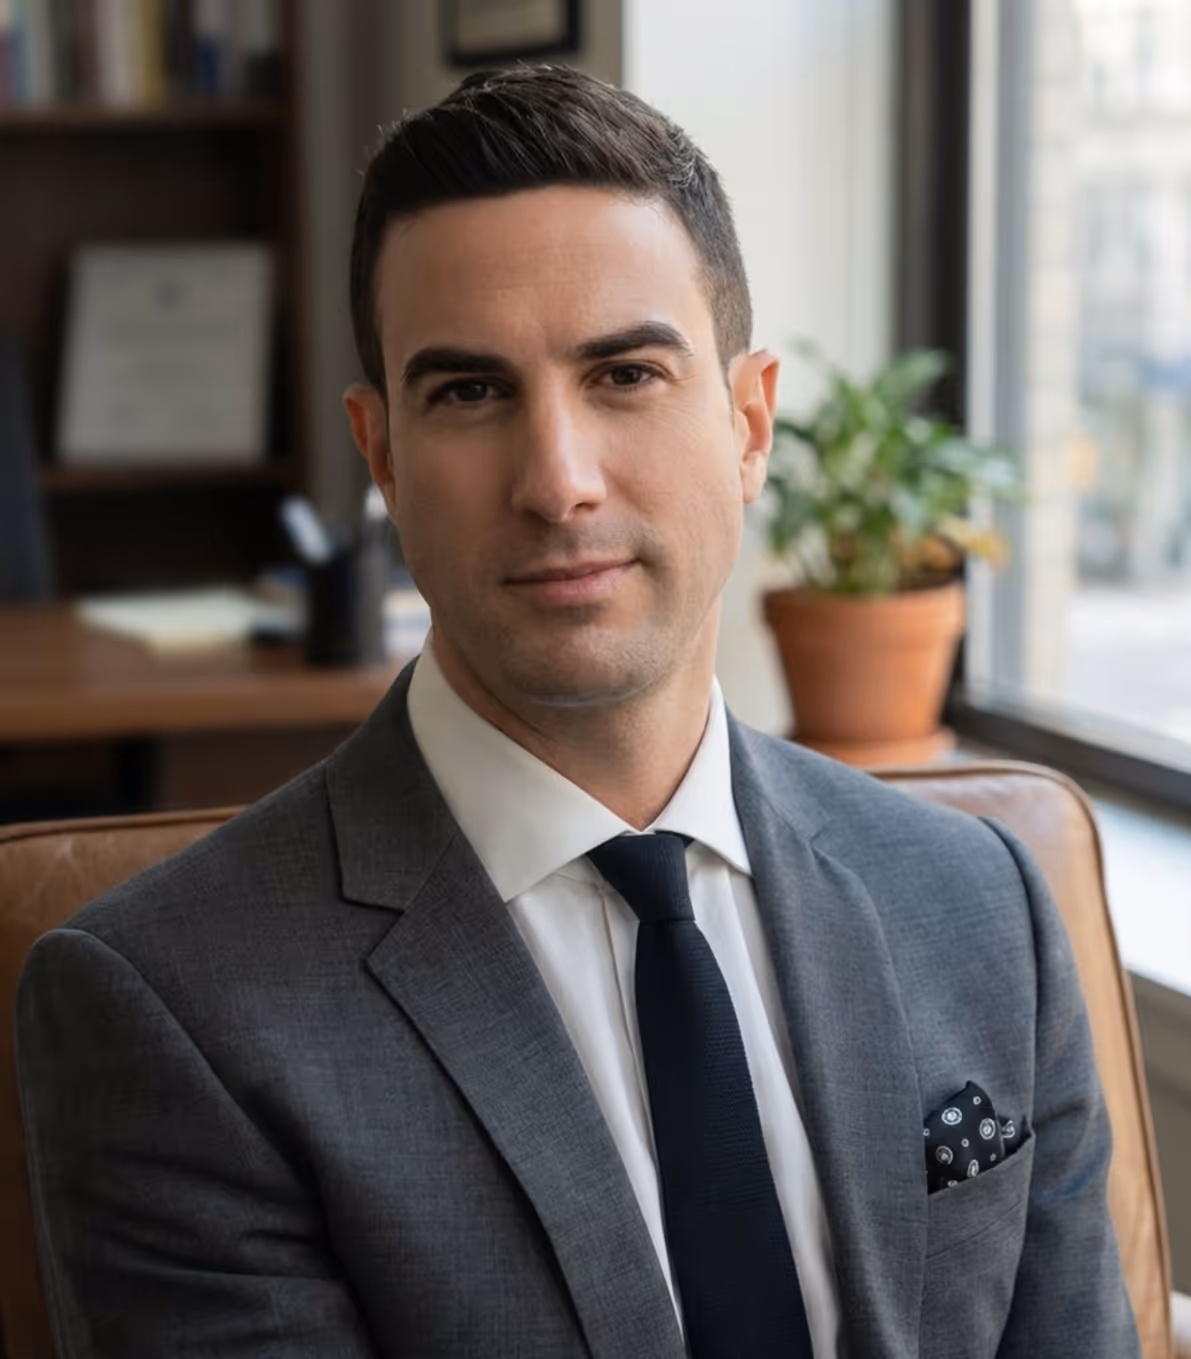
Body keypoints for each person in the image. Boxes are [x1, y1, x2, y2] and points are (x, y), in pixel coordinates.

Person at [16, 65, 1138, 1359]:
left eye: (623, 374)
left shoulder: (980, 906)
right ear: (379, 454)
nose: (558, 482)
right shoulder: (173, 1007)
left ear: (749, 422)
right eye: (469, 393)